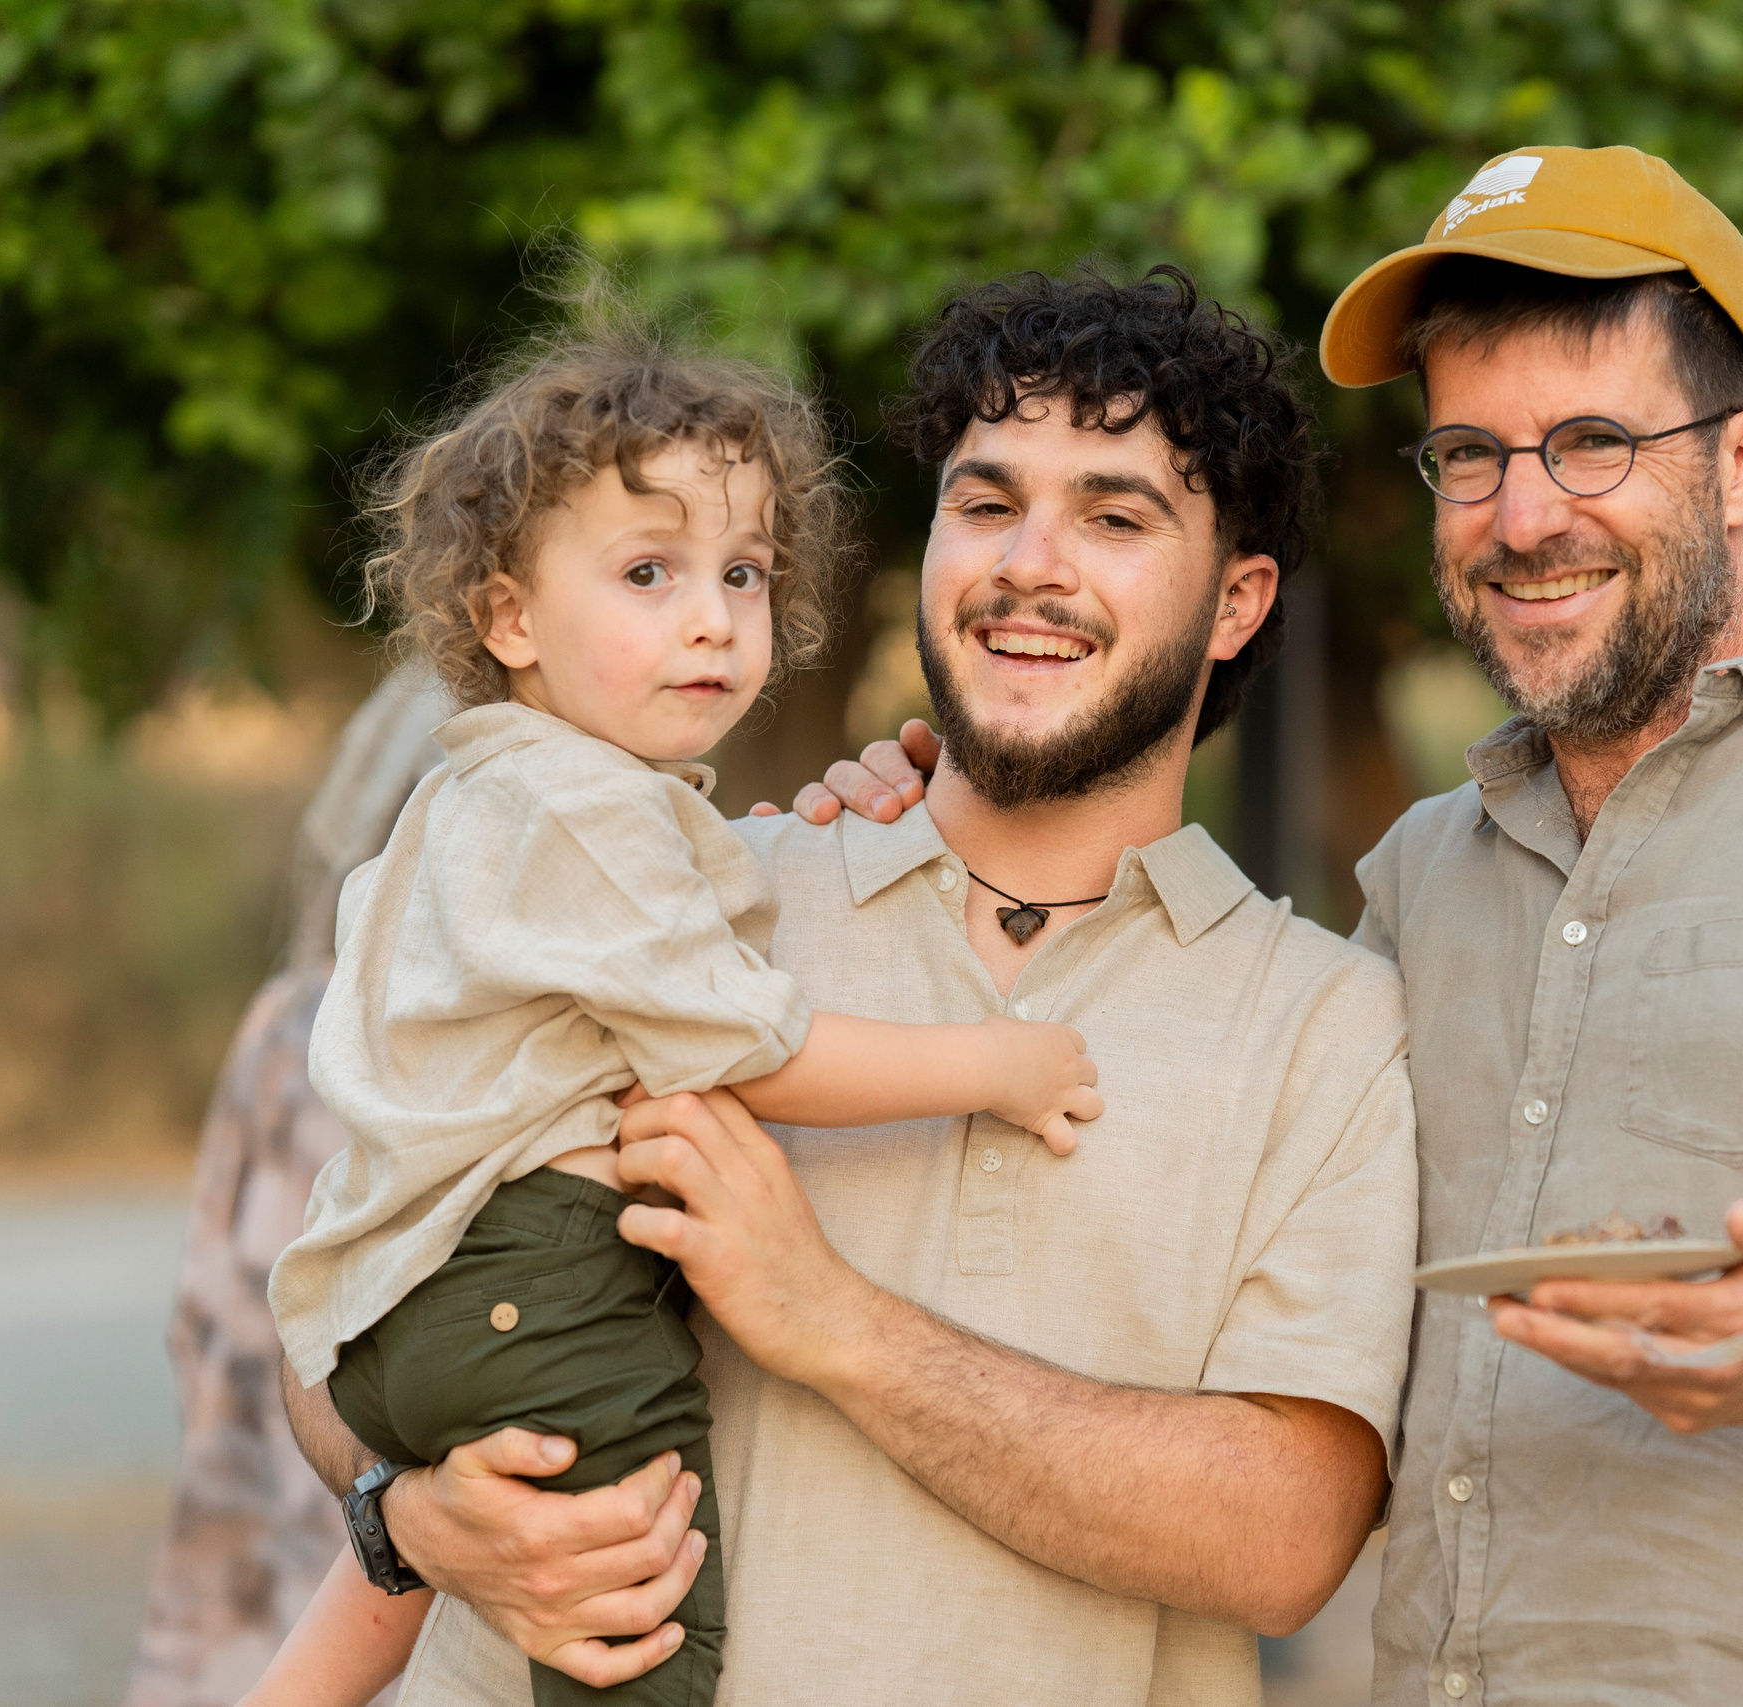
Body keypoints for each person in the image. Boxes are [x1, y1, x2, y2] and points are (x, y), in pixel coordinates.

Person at [812, 147, 1743, 1704]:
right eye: (1469, 454)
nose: (1523, 513)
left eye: (1593, 442)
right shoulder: (1423, 877)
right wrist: (934, 806)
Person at [275, 266, 1421, 1707]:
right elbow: (344, 1315)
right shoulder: (686, 902)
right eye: (987, 503)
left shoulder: (1330, 1023)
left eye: (1116, 517)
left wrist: (839, 1321)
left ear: (1239, 599)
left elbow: (1282, 1538)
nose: (1030, 563)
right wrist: (412, 1512)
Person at [250, 330, 1101, 1707]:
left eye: (744, 572)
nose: (712, 616)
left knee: (428, 1570)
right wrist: (995, 1062)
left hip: (408, 1306)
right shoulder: (585, 811)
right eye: (650, 571)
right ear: (510, 618)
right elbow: (755, 1050)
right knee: (641, 1624)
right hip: (544, 1274)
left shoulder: (492, 793)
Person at [126, 661, 453, 1707]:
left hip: (268, 1533)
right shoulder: (549, 1034)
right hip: (402, 1547)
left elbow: (204, 1315)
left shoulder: (292, 1023)